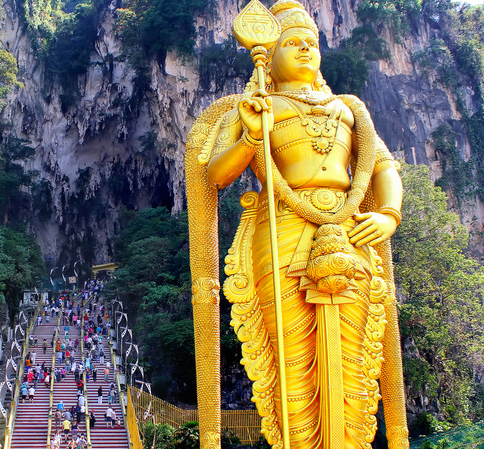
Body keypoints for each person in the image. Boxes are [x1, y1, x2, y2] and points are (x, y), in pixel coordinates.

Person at [189, 0, 407, 447]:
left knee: (353, 360)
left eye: (312, 42)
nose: (306, 49)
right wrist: (251, 133)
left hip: (350, 235)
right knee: (291, 362)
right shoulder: (259, 105)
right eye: (292, 42)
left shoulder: (349, 109)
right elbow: (216, 174)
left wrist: (388, 213)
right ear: (272, 52)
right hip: (283, 228)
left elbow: (384, 169)